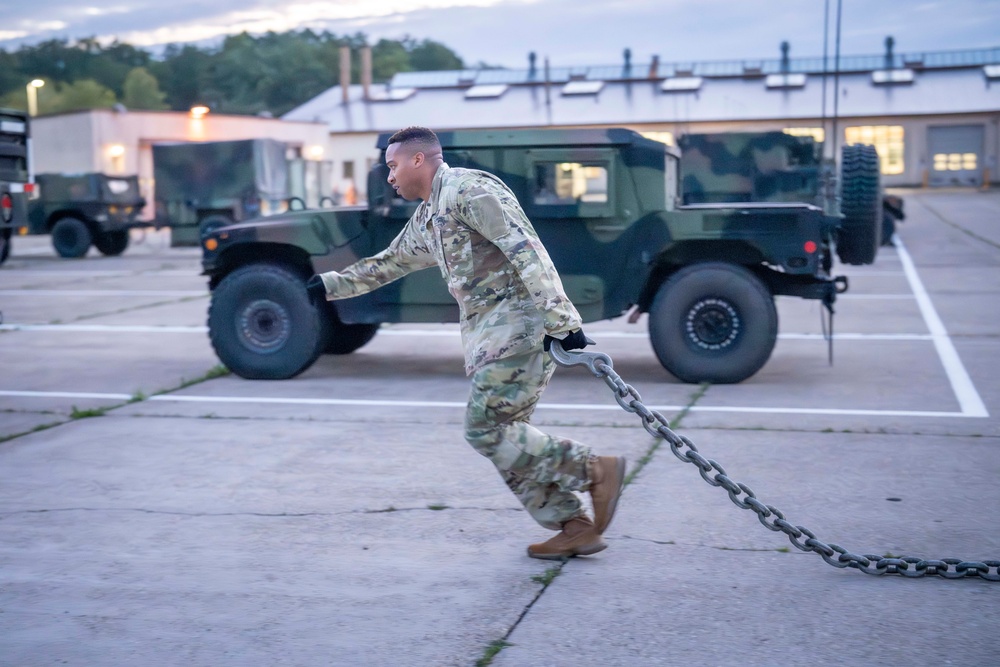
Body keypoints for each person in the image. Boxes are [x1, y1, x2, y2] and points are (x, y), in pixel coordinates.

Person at [306, 126, 626, 560]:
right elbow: (388, 264)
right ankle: (573, 525)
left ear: (418, 160)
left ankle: (593, 469)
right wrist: (328, 286)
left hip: (520, 330)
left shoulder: (468, 191)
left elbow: (525, 249)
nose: (389, 177)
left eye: (392, 165)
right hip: (490, 340)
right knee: (507, 440)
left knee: (485, 430)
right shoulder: (428, 216)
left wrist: (562, 319)